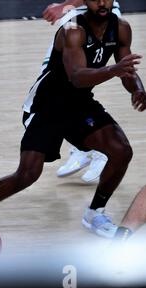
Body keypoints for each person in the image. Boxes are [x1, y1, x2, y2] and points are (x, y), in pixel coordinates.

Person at [0, 0, 146, 239]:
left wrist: (137, 90)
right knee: (27, 174)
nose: (101, 2)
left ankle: (95, 212)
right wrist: (113, 70)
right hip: (47, 106)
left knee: (121, 151)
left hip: (80, 104)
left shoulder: (121, 28)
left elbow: (127, 69)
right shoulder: (72, 30)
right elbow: (77, 77)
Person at [43, 0, 121, 184]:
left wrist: (65, 5)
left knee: (63, 82)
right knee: (59, 84)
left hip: (94, 16)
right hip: (78, 13)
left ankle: (100, 149)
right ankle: (85, 145)